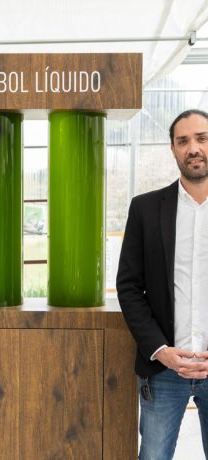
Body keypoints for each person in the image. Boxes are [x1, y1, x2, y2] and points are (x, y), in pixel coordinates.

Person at [117, 108, 208, 459]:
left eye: (202, 138)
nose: (193, 148)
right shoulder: (145, 209)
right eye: (183, 141)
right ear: (173, 149)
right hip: (163, 370)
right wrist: (161, 351)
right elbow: (129, 287)